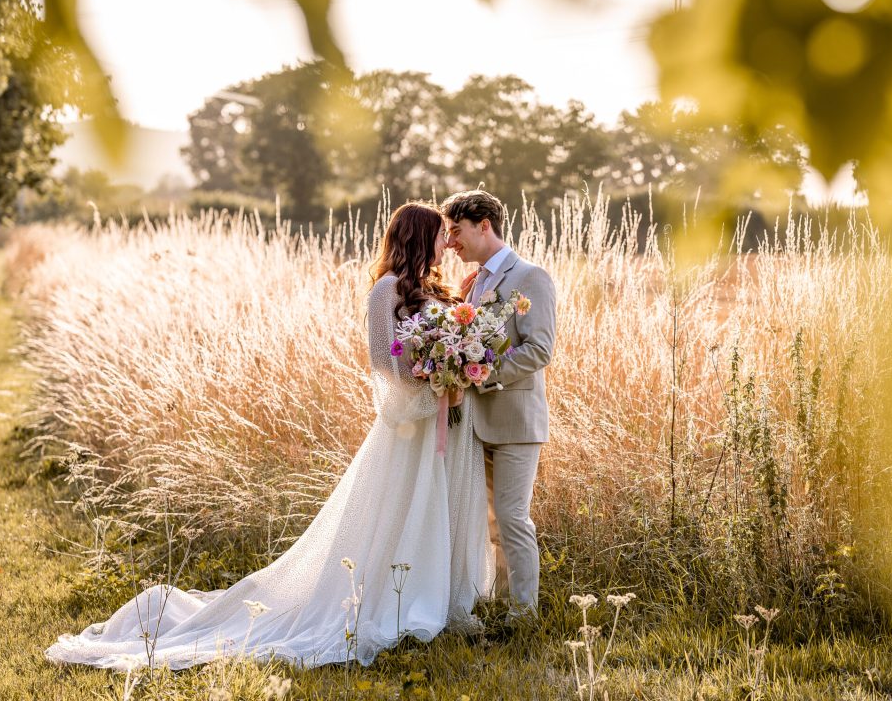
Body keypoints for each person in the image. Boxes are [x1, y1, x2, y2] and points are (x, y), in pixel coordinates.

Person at [45, 202, 492, 671]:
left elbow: (454, 338)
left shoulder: (438, 289)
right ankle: (400, 599)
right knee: (404, 509)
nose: (448, 241)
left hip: (447, 423)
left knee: (441, 506)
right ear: (419, 236)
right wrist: (430, 375)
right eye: (441, 234)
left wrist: (454, 368)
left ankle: (445, 597)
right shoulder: (386, 290)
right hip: (412, 424)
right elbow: (383, 359)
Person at [442, 189, 556, 617]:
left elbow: (539, 349)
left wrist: (483, 375)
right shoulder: (475, 283)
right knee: (491, 525)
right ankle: (502, 606)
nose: (450, 242)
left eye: (456, 231)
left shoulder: (531, 276)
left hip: (515, 419)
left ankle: (525, 616)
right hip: (478, 421)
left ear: (483, 226)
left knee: (512, 518)